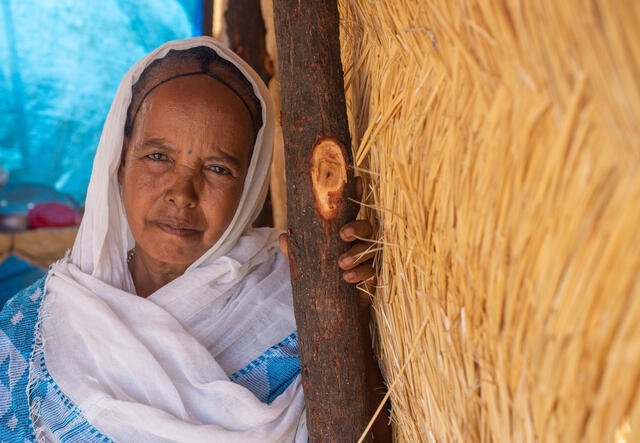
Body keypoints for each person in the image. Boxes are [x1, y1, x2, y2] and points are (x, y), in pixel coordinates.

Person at [0, 37, 385, 441]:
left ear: (249, 184)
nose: (182, 193)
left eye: (218, 169)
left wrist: (346, 315)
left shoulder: (296, 291)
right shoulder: (33, 334)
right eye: (158, 157)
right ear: (120, 161)